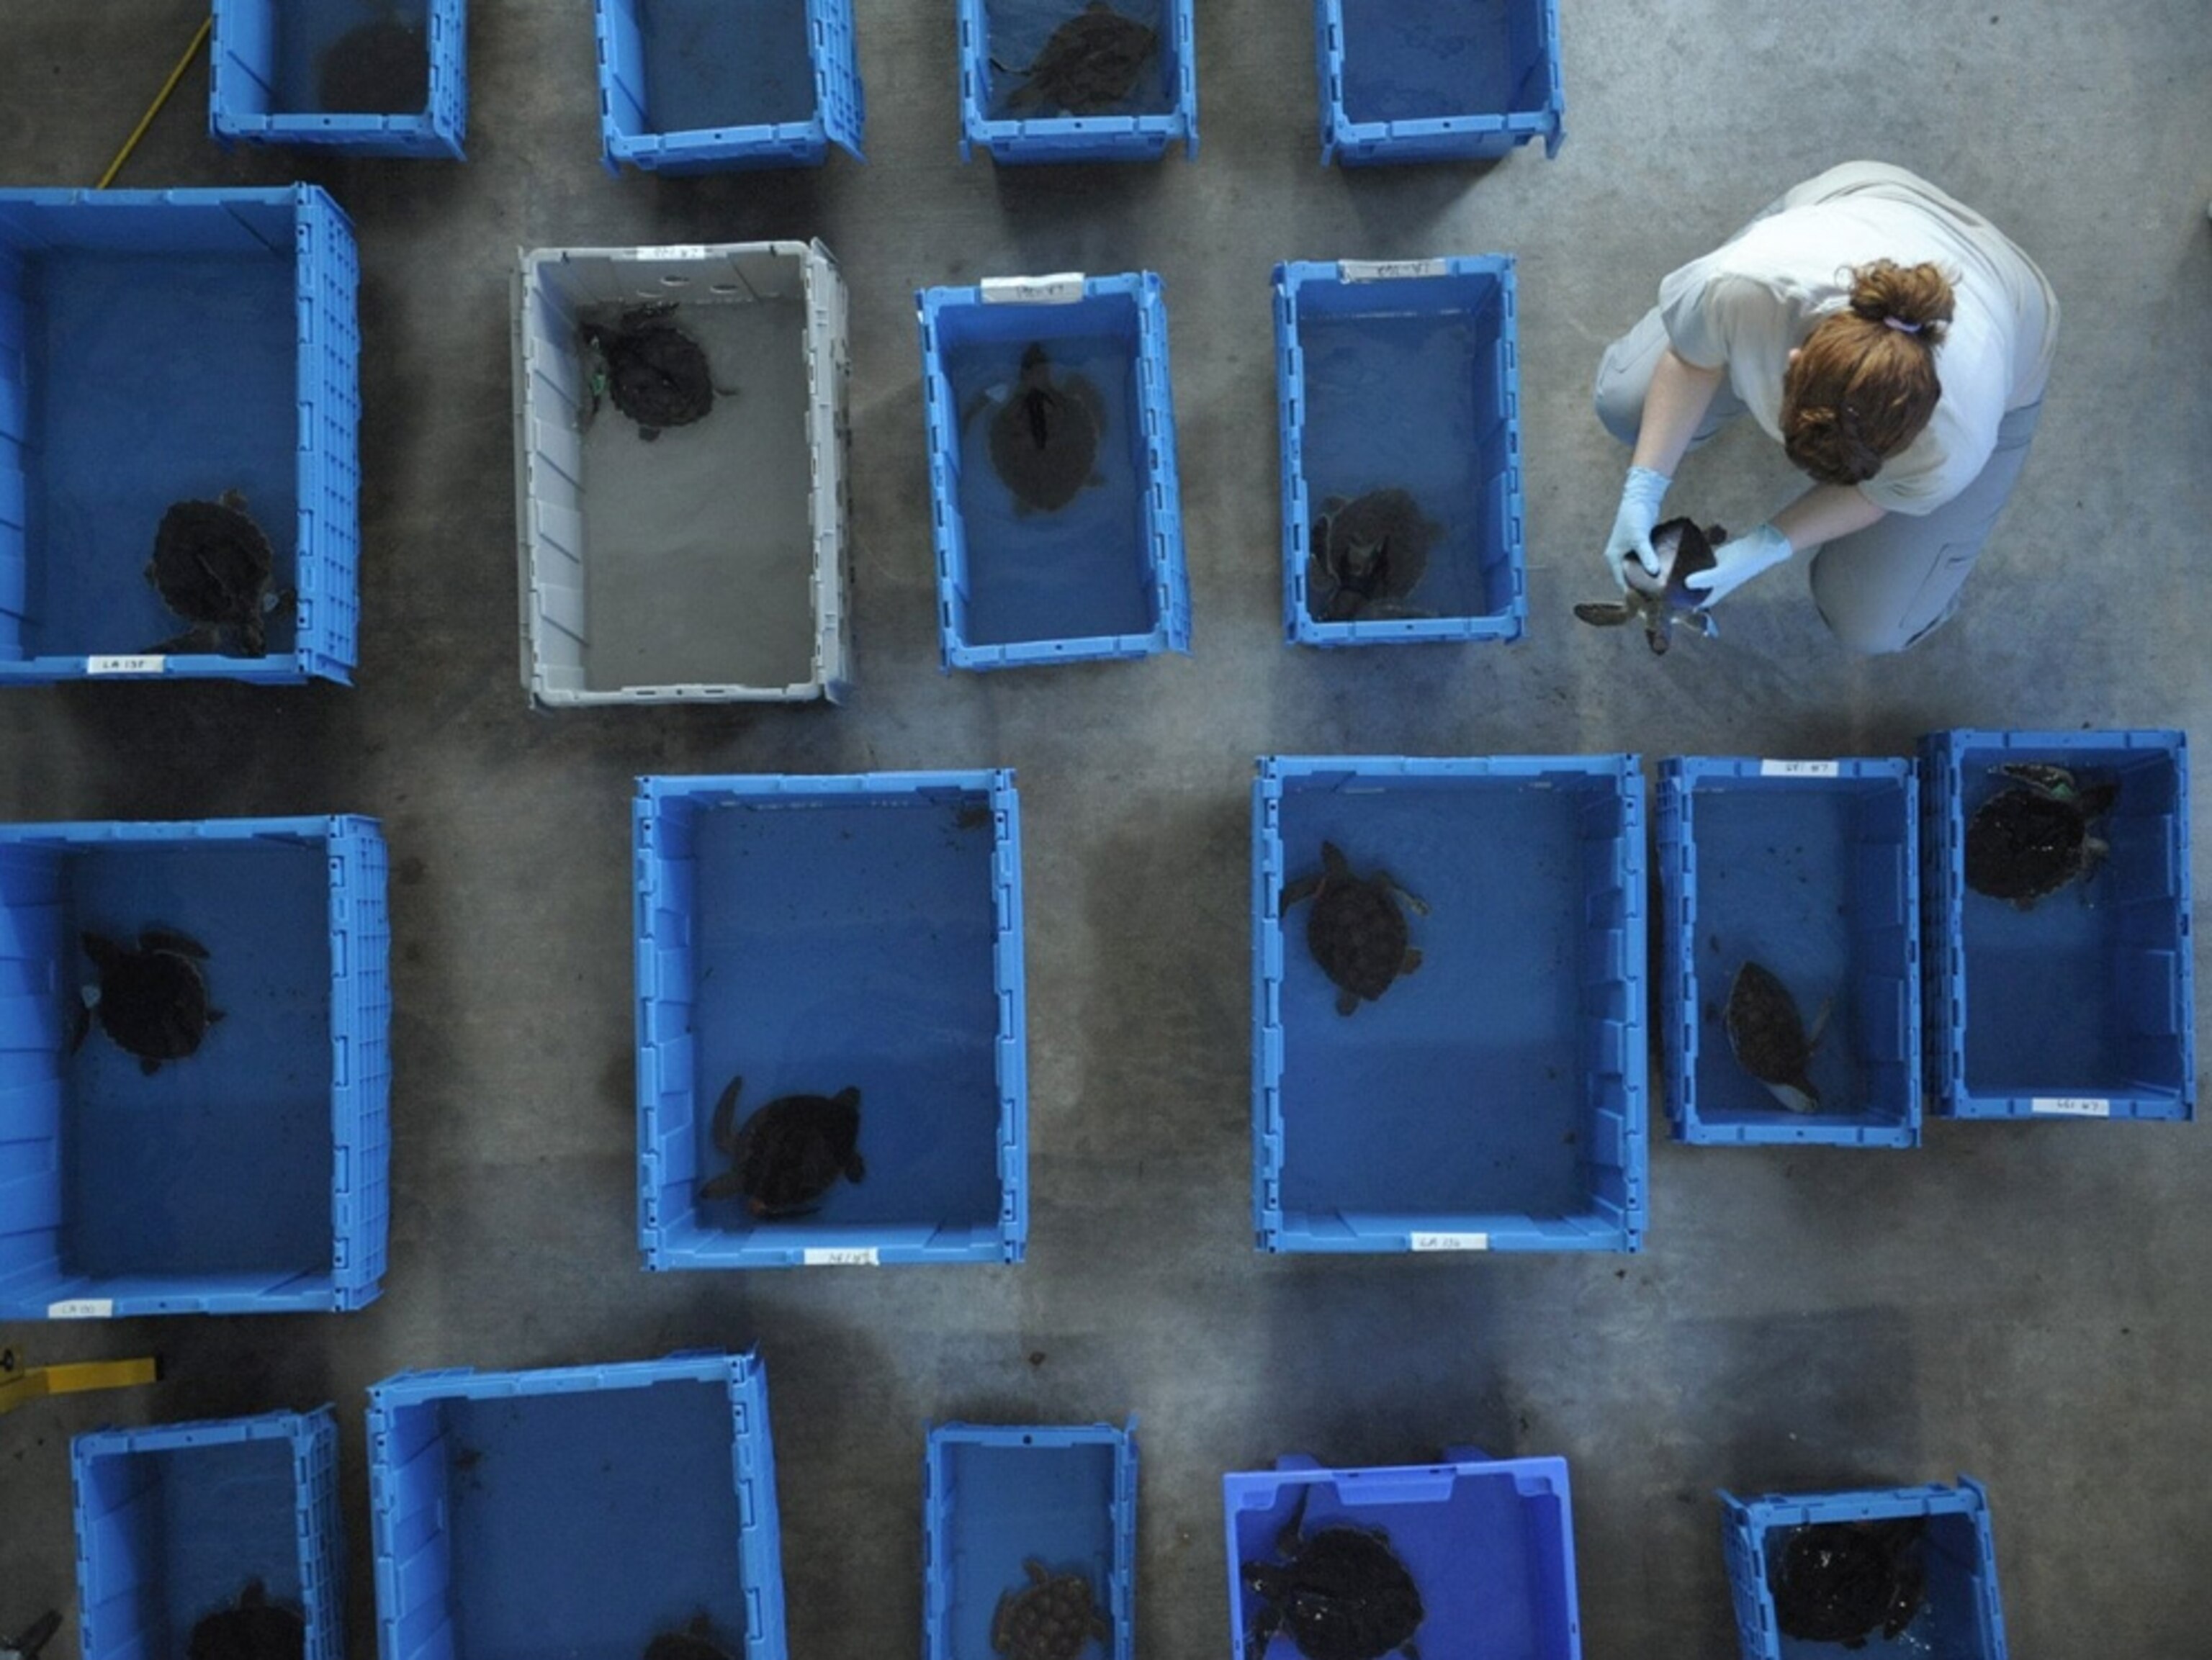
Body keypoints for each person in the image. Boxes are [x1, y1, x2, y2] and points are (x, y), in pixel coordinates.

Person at [1593, 161, 2059, 654]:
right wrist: (1641, 491)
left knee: (1874, 626)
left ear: (1914, 428)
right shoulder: (1746, 286)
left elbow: (1878, 495)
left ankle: (1924, 600)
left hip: (2012, 302)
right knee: (1625, 404)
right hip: (1864, 199)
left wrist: (1768, 546)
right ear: (1791, 363)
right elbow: (1691, 360)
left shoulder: (1954, 442)